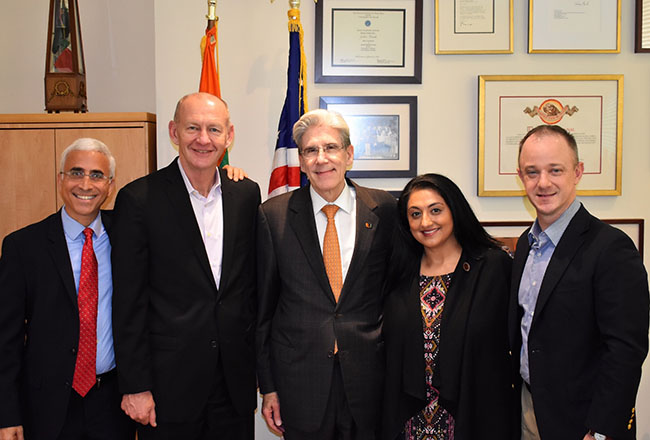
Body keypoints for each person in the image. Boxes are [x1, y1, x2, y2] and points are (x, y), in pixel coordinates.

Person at [111, 92, 260, 440]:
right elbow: (128, 302)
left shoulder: (246, 195)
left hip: (233, 386)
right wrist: (135, 386)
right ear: (174, 132)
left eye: (213, 129)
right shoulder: (138, 200)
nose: (203, 139)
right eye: (192, 128)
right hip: (167, 389)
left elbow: (250, 286)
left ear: (230, 135)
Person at [256, 109, 397, 439]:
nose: (322, 159)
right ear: (302, 162)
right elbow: (264, 311)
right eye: (310, 150)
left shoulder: (386, 209)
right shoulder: (273, 216)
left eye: (331, 148)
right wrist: (269, 388)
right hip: (300, 383)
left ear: (349, 154)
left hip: (370, 378)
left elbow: (395, 294)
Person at [510, 124, 649, 440]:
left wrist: (601, 430)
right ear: (520, 177)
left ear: (578, 172)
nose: (543, 183)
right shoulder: (524, 246)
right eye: (532, 172)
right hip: (530, 409)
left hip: (585, 421)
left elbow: (626, 350)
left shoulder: (611, 248)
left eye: (555, 170)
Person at [0, 138, 135, 440]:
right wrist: (6, 415)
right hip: (45, 408)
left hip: (112, 406)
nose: (86, 184)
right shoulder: (23, 247)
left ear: (110, 184)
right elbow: (5, 341)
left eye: (96, 175)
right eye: (76, 172)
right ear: (61, 179)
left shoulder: (129, 236)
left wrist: (222, 175)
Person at [382, 173, 517, 440]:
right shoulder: (399, 274)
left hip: (474, 413)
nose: (426, 222)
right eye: (415, 214)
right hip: (412, 419)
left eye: (435, 210)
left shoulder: (492, 266)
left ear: (454, 210)